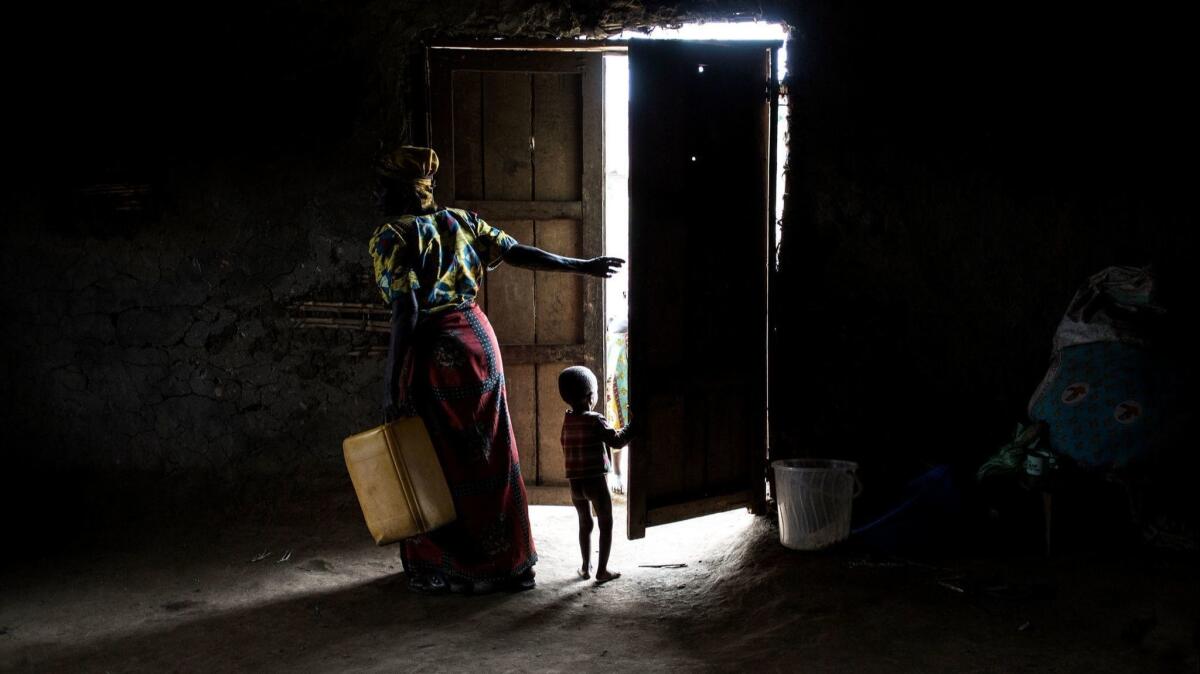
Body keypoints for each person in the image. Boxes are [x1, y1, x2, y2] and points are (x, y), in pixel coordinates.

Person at [369, 146, 624, 594]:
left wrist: (391, 383)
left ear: (402, 192)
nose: (377, 195)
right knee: (493, 454)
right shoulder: (461, 222)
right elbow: (519, 252)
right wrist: (581, 265)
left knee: (444, 462)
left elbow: (405, 312)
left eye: (383, 187)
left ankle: (453, 567)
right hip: (478, 344)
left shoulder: (392, 236)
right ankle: (512, 564)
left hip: (438, 357)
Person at [558, 365, 631, 584]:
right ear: (591, 396)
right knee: (606, 522)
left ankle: (585, 567)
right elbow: (617, 440)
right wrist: (634, 426)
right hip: (595, 482)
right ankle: (602, 571)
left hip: (575, 485)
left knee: (585, 523)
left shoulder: (568, 419)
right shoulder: (595, 419)